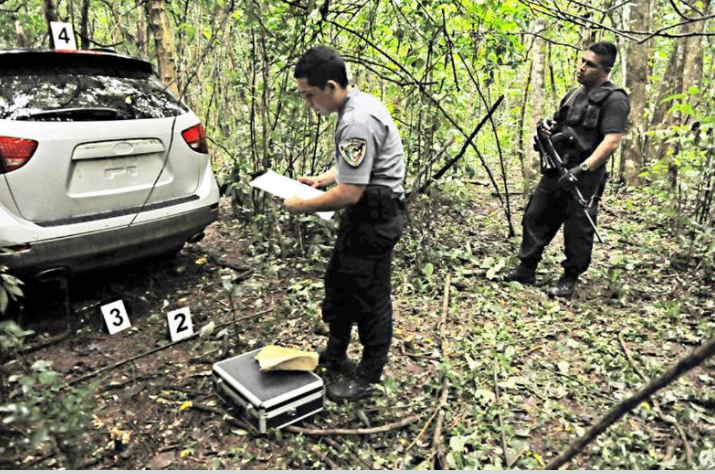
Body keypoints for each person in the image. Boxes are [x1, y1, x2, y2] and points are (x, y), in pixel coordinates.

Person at [284, 46, 406, 404]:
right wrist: (322, 181)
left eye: (310, 95)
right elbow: (355, 167)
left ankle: (369, 375)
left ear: (331, 86)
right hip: (366, 212)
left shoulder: (356, 120)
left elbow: (351, 192)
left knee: (370, 296)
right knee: (339, 283)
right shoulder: (358, 106)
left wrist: (303, 205)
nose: (309, 104)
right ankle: (335, 353)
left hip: (375, 215)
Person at [505, 41, 630, 298]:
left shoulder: (615, 99)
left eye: (590, 64)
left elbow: (612, 142)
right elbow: (557, 124)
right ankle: (526, 268)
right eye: (582, 61)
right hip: (557, 167)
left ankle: (569, 278)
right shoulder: (574, 94)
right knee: (536, 215)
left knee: (578, 228)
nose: (581, 67)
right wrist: (547, 130)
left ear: (605, 70)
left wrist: (582, 169)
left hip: (585, 174)